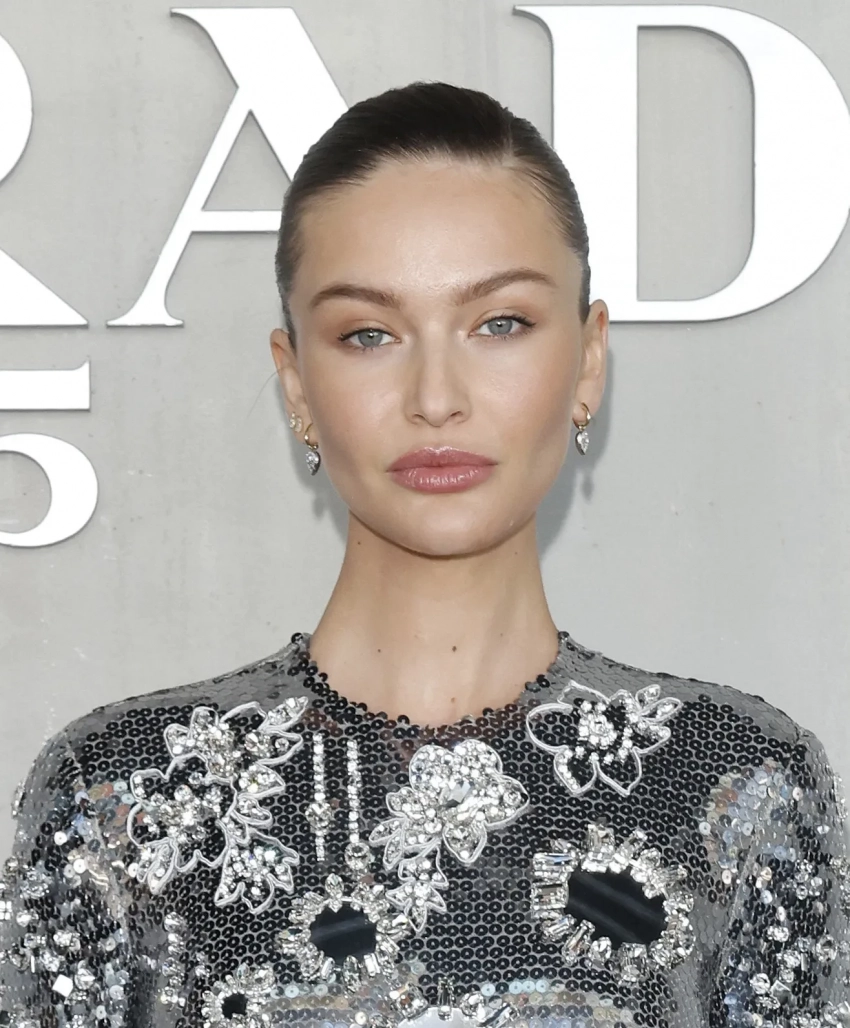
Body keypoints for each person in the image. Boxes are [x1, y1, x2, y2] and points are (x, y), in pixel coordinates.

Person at [1, 80, 847, 1028]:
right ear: (297, 384)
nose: (436, 396)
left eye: (500, 324)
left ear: (588, 360)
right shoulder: (117, 797)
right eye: (368, 334)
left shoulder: (738, 785)